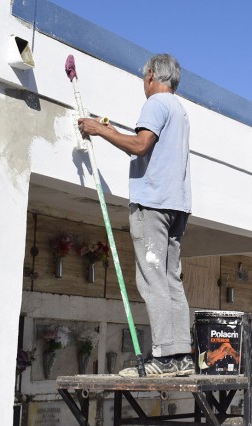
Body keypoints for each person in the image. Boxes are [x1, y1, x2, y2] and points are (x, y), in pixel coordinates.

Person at [78, 53, 193, 377]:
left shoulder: (156, 104)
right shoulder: (180, 111)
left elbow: (140, 145)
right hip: (176, 205)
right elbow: (148, 144)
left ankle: (163, 358)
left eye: (145, 76)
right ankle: (181, 356)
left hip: (153, 204)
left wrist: (99, 132)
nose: (144, 82)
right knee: (170, 279)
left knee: (152, 277)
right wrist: (113, 129)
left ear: (152, 75)